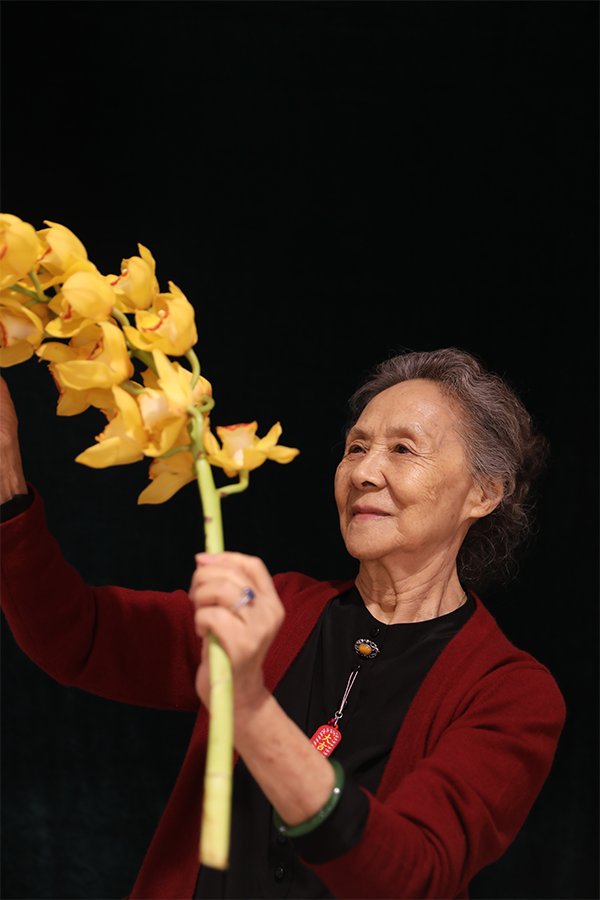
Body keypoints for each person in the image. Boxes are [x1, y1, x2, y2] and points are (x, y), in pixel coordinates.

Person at [0, 348, 566, 900]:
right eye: (356, 447)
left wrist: (250, 709)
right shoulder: (273, 607)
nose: (364, 472)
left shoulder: (511, 693)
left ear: (483, 492)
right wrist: (6, 489)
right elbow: (76, 636)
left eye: (402, 449)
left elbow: (411, 873)